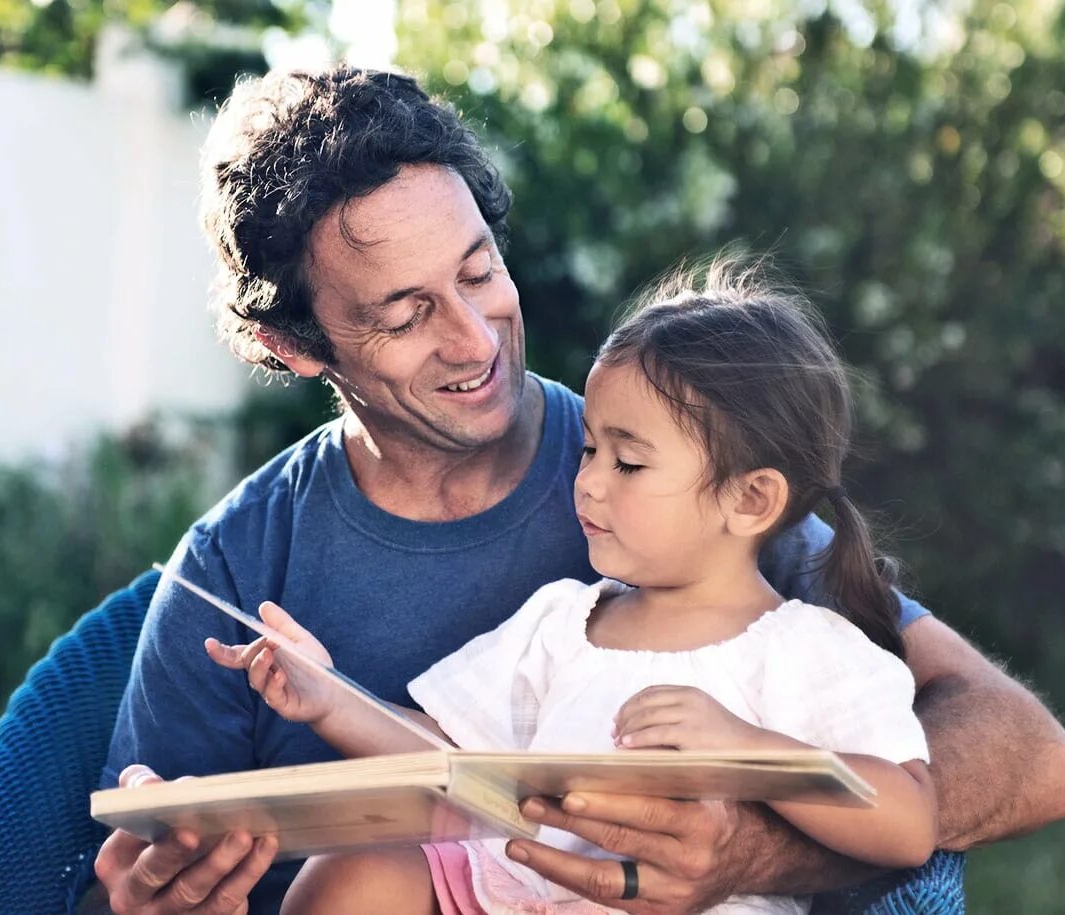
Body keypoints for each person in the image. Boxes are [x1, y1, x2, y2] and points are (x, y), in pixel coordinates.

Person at [90, 66, 1065, 915]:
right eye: (404, 315)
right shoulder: (238, 563)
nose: (476, 342)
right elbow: (115, 880)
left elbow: (1031, 758)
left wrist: (754, 852)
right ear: (293, 347)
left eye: (479, 273)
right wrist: (154, 893)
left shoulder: (695, 477)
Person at [207, 260, 938, 915]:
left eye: (628, 462)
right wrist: (329, 695)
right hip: (518, 889)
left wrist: (749, 749)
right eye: (590, 447)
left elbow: (908, 822)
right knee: (357, 874)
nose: (585, 480)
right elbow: (453, 759)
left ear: (749, 500)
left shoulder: (807, 648)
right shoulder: (564, 620)